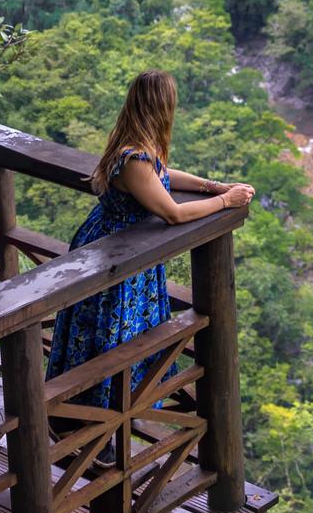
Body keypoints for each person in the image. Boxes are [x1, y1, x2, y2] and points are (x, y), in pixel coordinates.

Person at [46, 70, 253, 414]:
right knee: (111, 335)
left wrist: (213, 186)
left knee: (117, 331)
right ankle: (95, 419)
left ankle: (111, 414)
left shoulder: (136, 144)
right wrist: (225, 202)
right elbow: (172, 213)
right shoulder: (134, 158)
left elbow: (163, 178)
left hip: (126, 249)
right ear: (161, 106)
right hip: (117, 255)